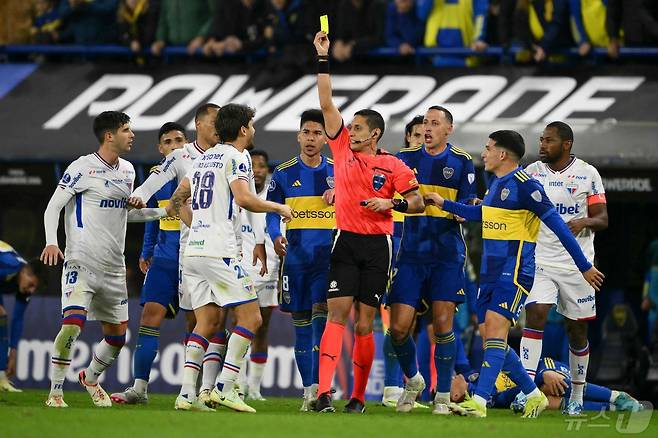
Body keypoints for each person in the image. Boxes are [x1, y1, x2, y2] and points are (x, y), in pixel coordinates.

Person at [424, 129, 604, 418]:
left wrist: (584, 266)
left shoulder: (527, 186)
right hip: (490, 273)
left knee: (495, 332)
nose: (483, 153)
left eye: (488, 148)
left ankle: (479, 402)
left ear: (502, 154)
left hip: (515, 270)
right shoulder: (496, 184)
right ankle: (533, 395)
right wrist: (444, 203)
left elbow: (558, 226)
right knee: (492, 340)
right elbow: (482, 215)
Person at [312, 30, 425, 414]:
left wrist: (389, 202)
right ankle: (324, 392)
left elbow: (418, 202)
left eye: (358, 128)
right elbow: (326, 102)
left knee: (365, 323)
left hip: (379, 246)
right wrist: (323, 58)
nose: (351, 132)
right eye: (351, 127)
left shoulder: (393, 165)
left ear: (374, 134)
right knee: (336, 312)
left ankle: (358, 396)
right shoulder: (340, 146)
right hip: (345, 240)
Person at [167, 103, 292, 413]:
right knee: (252, 318)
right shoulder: (237, 157)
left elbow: (175, 200)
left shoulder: (202, 158)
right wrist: (278, 208)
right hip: (219, 251)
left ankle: (186, 394)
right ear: (242, 130)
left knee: (207, 322)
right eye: (251, 125)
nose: (254, 130)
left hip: (194, 251)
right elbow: (244, 199)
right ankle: (225, 387)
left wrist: (196, 224)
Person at [41, 111, 171, 408]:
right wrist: (52, 241)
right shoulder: (82, 167)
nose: (132, 134)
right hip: (81, 260)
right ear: (109, 135)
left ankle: (89, 377)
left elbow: (126, 214)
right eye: (126, 129)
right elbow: (53, 207)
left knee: (117, 337)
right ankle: (55, 392)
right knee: (73, 323)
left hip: (113, 268)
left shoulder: (127, 171)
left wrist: (164, 211)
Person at [389, 105, 477, 414]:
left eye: (434, 123)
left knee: (442, 326)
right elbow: (387, 194)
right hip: (411, 254)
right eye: (425, 122)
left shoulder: (463, 163)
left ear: (448, 129)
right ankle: (413, 380)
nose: (428, 128)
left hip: (446, 255)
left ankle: (441, 394)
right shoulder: (404, 160)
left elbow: (468, 207)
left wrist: (454, 207)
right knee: (398, 329)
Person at [520, 121, 608, 415]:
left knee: (577, 331)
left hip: (578, 264)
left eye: (548, 141)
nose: (542, 145)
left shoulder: (587, 173)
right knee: (536, 314)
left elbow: (602, 218)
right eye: (541, 140)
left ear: (566, 144)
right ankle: (527, 391)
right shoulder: (532, 173)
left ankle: (578, 396)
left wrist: (583, 221)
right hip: (542, 259)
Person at [110, 122, 187, 405]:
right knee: (149, 317)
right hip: (165, 256)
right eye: (168, 142)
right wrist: (146, 251)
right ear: (160, 148)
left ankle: (195, 390)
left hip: (196, 256)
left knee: (199, 324)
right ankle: (139, 388)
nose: (174, 146)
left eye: (179, 140)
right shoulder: (159, 177)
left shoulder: (201, 169)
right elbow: (153, 217)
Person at [266, 109, 335, 411]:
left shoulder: (338, 172)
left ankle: (321, 388)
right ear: (298, 135)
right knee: (302, 328)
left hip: (327, 261)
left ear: (325, 138)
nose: (311, 138)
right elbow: (271, 212)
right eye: (306, 132)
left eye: (317, 133)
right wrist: (274, 235)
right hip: (295, 262)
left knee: (321, 327)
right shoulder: (283, 173)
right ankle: (309, 391)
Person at [450, 357, 644, 413]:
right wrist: (541, 378)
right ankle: (610, 406)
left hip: (541, 364)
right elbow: (517, 390)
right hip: (538, 376)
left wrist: (543, 373)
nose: (452, 378)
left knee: (552, 383)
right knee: (550, 397)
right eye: (450, 384)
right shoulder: (487, 397)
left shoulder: (471, 376)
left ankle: (615, 396)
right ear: (457, 396)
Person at [238, 149, 280, 401]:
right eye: (252, 165)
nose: (257, 169)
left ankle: (254, 387)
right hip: (241, 268)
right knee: (242, 325)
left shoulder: (274, 195)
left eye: (261, 165)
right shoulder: (237, 190)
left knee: (262, 329)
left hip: (270, 271)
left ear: (267, 169)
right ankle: (238, 383)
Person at [0, 241, 45, 391]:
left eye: (35, 288)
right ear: (25, 272)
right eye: (31, 284)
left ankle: (1, 378)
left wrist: (13, 353)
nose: (31, 290)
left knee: (2, 319)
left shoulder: (23, 289)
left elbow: (17, 319)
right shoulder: (9, 265)